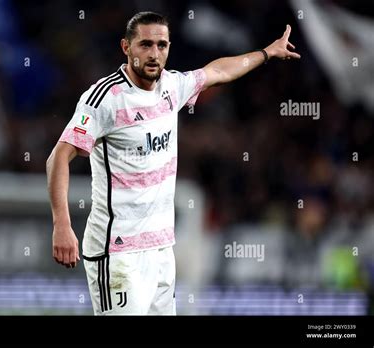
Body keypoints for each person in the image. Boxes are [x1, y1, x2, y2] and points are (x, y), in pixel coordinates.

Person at [46, 11, 300, 315]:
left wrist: (266, 53)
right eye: (146, 45)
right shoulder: (105, 98)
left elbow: (218, 72)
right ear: (126, 48)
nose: (155, 54)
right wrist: (62, 224)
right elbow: (59, 156)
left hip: (162, 251)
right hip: (118, 253)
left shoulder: (172, 86)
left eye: (162, 45)